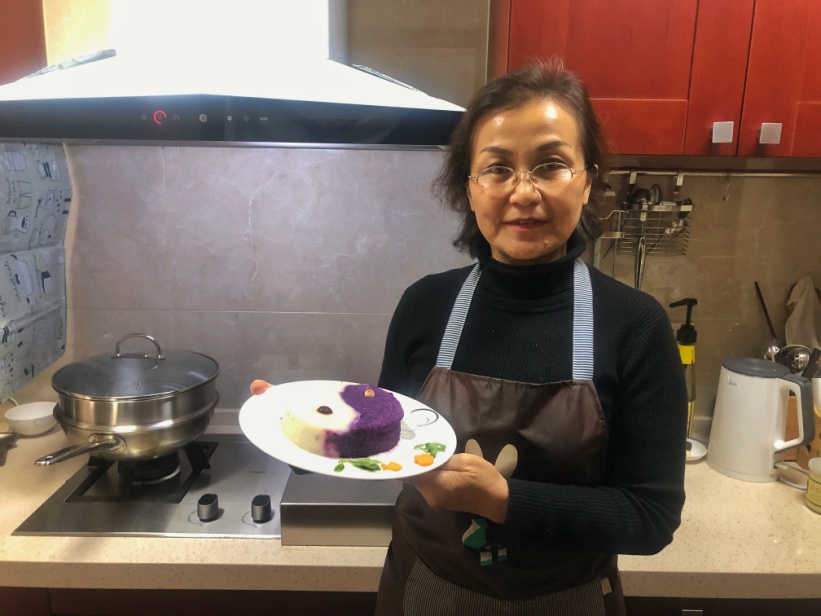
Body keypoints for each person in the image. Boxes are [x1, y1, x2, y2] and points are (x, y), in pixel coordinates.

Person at [371, 58, 688, 615]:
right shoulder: (424, 305)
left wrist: (504, 500)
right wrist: (304, 429)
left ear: (587, 181)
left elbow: (651, 518)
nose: (523, 192)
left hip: (568, 599)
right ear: (469, 189)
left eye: (551, 165)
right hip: (426, 590)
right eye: (497, 169)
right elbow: (389, 442)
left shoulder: (636, 325)